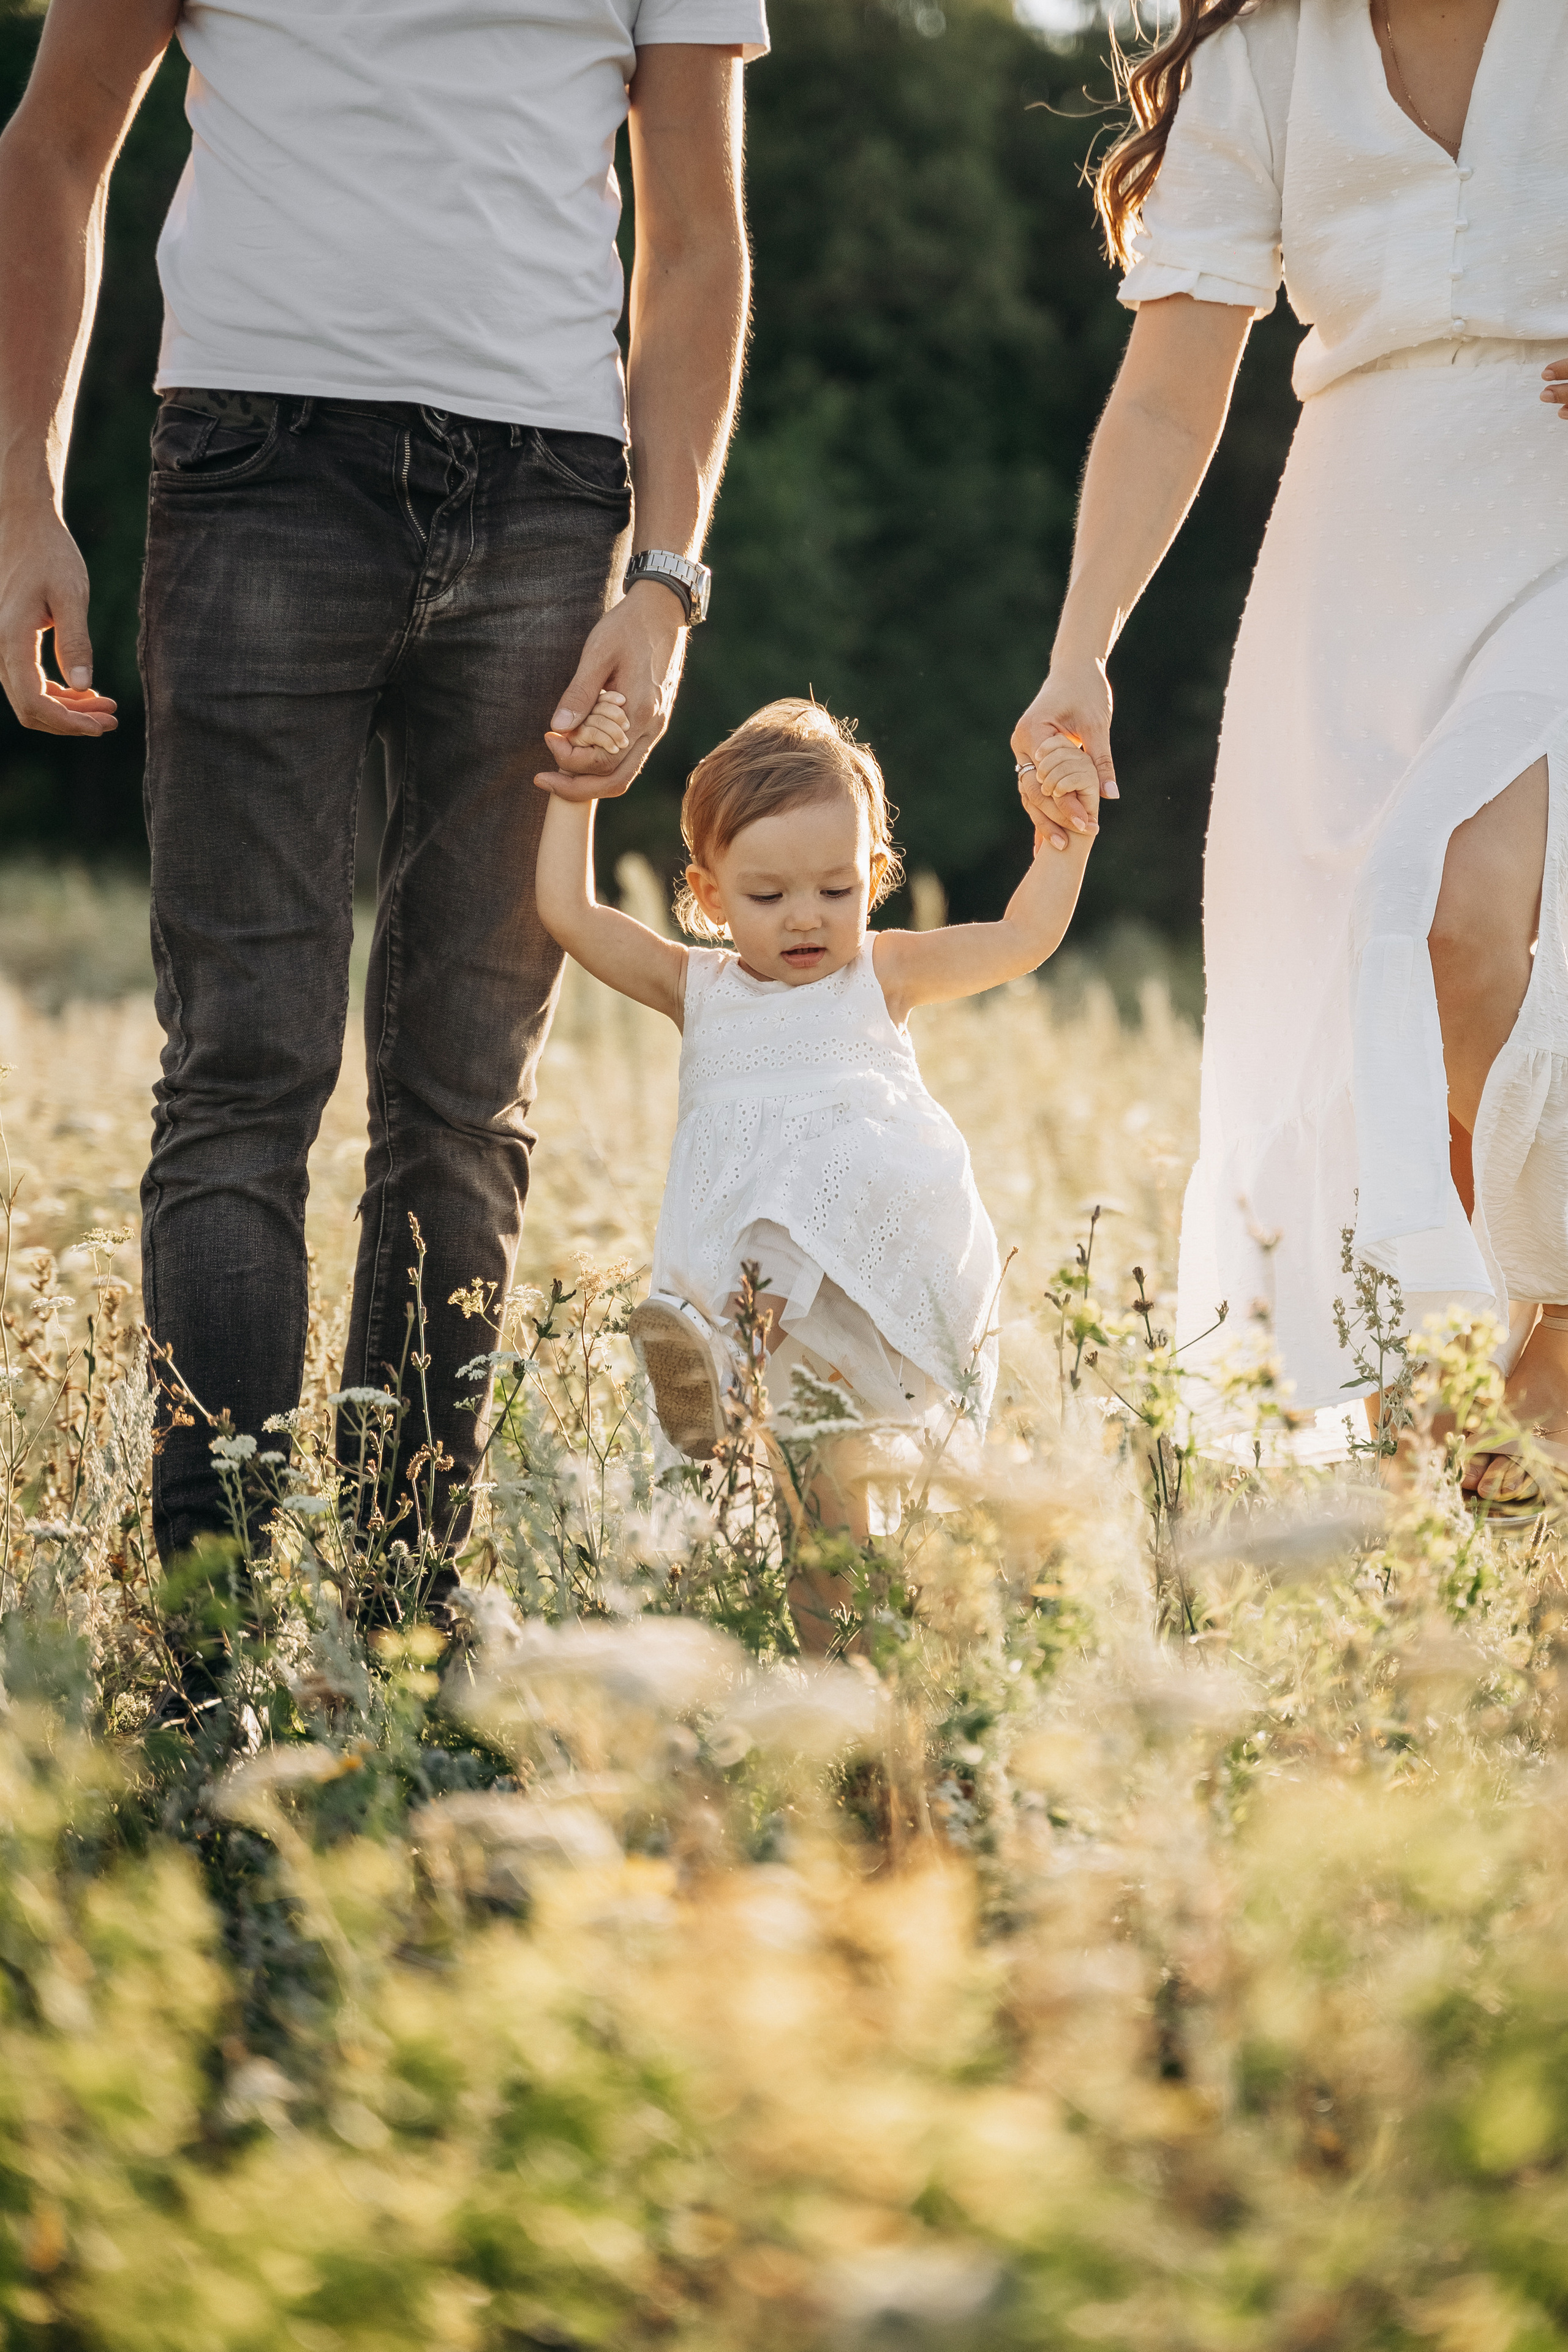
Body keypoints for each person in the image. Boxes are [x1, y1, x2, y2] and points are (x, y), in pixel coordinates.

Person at [0, 0, 769, 1572]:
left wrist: (668, 577)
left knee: (465, 1097)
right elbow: (56, 145)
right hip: (254, 469)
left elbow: (696, 237)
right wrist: (21, 493)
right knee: (241, 1068)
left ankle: (403, 1610)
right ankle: (213, 1632)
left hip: (551, 509)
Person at [1012, 0, 1568, 1506]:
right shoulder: (1263, 66)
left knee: (1449, 918)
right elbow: (1167, 390)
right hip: (1349, 572)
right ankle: (1444, 1420)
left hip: (1551, 531)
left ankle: (1557, 1346)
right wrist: (1082, 652)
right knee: (1359, 1012)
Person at [535, 693, 1101, 1635]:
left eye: (836, 891)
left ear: (874, 877)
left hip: (867, 1279)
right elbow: (569, 910)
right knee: (820, 1522)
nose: (807, 919)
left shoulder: (882, 975)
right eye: (768, 896)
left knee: (795, 1191)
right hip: (782, 1333)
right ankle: (836, 1680)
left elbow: (1021, 939)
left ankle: (715, 1365)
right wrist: (579, 786)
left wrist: (1066, 835)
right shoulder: (699, 991)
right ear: (708, 895)